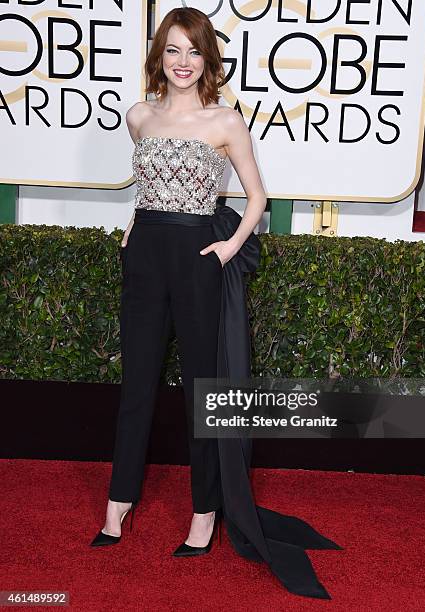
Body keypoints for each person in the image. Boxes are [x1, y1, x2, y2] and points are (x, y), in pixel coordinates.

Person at [90, 7, 342, 599]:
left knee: (203, 392)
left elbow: (256, 197)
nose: (182, 62)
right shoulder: (138, 115)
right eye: (172, 50)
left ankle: (205, 513)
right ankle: (117, 503)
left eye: (193, 52)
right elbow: (150, 187)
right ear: (160, 55)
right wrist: (133, 231)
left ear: (208, 59)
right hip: (146, 254)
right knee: (137, 388)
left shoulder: (226, 121)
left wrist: (227, 248)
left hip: (199, 257)